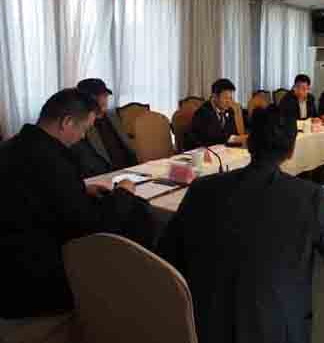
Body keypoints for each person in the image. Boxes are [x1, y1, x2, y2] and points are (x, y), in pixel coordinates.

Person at [158, 105, 324, 343]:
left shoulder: (201, 189)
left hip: (203, 327)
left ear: (249, 143)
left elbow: (166, 255)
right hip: (275, 331)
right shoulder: (309, 197)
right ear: (291, 151)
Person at [0, 89, 158, 318]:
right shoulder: (53, 161)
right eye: (84, 129)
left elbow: (38, 190)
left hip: (9, 261)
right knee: (136, 216)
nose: (84, 137)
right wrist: (123, 192)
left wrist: (80, 188)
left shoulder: (14, 146)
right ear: (66, 122)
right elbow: (92, 226)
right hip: (35, 279)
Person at [70, 78, 137, 177]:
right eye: (98, 96)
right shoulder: (79, 125)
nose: (104, 99)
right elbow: (89, 164)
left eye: (105, 95)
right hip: (104, 177)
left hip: (128, 173)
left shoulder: (112, 116)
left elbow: (127, 148)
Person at [185, 79, 241, 150]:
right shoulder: (203, 112)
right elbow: (212, 139)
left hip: (222, 151)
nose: (229, 102)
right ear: (214, 96)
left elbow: (233, 133)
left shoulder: (229, 111)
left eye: (231, 98)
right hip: (201, 152)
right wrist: (234, 139)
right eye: (226, 98)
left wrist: (238, 139)